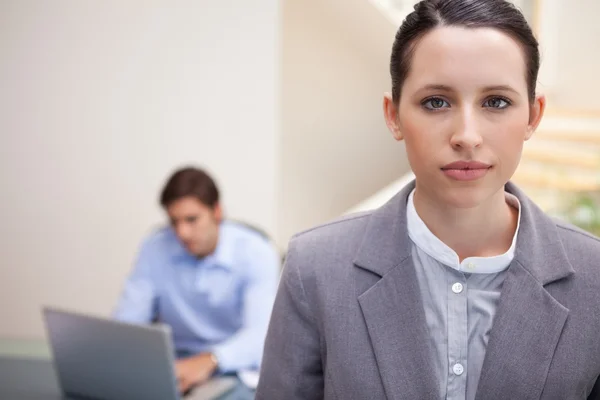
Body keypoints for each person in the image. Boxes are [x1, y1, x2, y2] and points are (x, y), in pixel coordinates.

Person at [256, 0, 600, 399]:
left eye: (496, 102)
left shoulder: (594, 279)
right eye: (436, 102)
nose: (466, 136)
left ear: (533, 116)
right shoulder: (314, 268)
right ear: (394, 115)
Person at [114, 166, 280, 395]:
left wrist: (211, 360)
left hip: (232, 367)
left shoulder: (256, 252)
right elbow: (128, 320)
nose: (182, 233)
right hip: (175, 363)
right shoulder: (155, 246)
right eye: (174, 221)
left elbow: (261, 335)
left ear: (217, 211)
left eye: (192, 219)